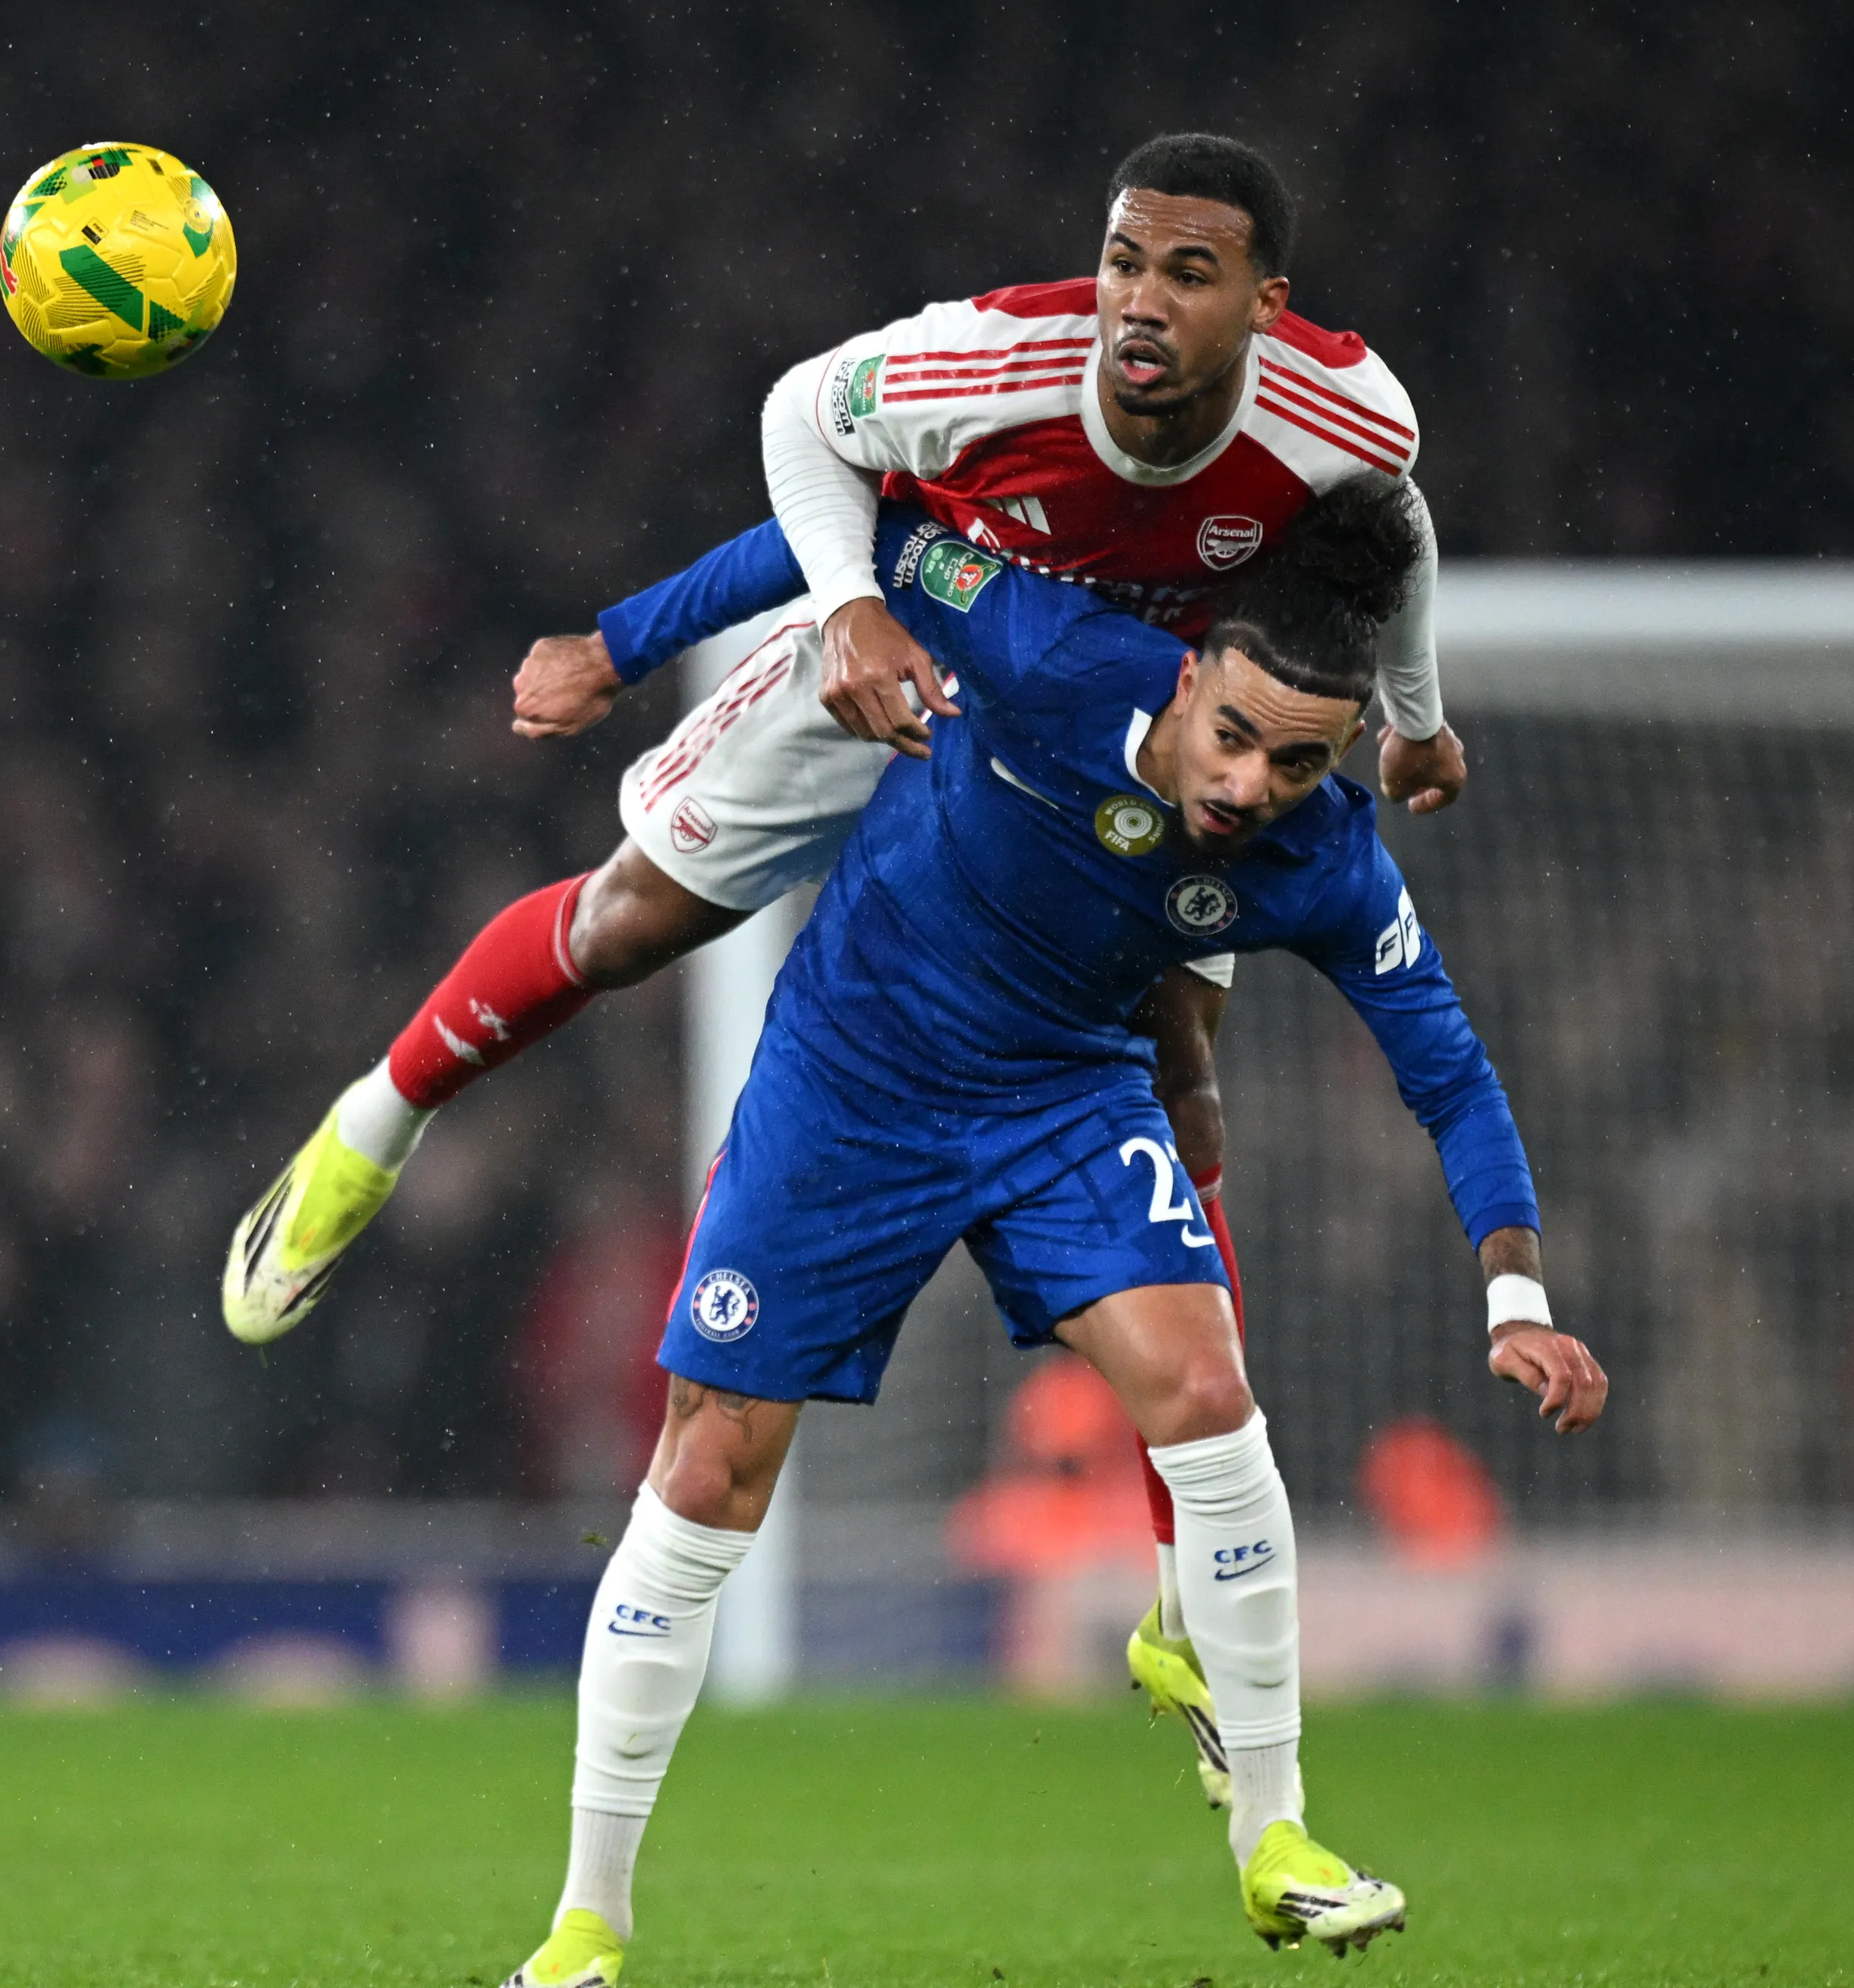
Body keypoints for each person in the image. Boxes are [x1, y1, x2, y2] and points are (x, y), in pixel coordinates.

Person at [226, 134, 1469, 1786]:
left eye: (1185, 271)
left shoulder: (1337, 417)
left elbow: (1397, 526)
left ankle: (1184, 1591)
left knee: (1179, 1093)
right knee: (627, 922)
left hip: (1125, 752)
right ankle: (368, 1124)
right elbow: (812, 442)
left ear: (1264, 298)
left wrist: (1414, 713)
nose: (1139, 300)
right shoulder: (995, 362)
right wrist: (741, 625)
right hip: (908, 651)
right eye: (1121, 259)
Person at [489, 481, 1604, 1988]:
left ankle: (1275, 1837)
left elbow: (1450, 1067)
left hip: (1063, 1095)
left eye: (1294, 761)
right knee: (709, 1466)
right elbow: (853, 531)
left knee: (1209, 1399)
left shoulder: (1324, 857)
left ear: (1337, 753)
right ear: (1194, 667)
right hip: (852, 1075)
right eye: (1233, 734)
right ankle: (587, 1914)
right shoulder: (1048, 647)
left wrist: (1514, 1291)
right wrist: (619, 644)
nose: (1248, 783)